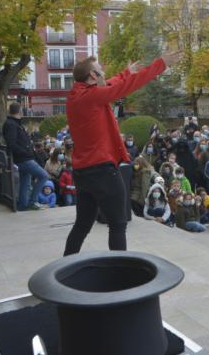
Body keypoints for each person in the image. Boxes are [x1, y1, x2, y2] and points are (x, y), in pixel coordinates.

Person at [63, 50, 181, 255]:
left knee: (82, 224)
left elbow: (110, 84)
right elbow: (123, 87)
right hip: (102, 171)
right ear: (92, 76)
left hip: (83, 172)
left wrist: (127, 72)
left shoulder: (78, 95)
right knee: (118, 224)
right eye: (100, 70)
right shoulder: (92, 97)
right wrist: (160, 64)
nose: (103, 72)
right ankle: (121, 274)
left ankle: (65, 266)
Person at [2, 102, 50, 210]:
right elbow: (12, 144)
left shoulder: (14, 123)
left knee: (25, 183)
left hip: (24, 158)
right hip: (24, 159)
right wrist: (26, 151)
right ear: (20, 111)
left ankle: (23, 206)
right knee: (43, 175)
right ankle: (33, 201)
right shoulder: (11, 124)